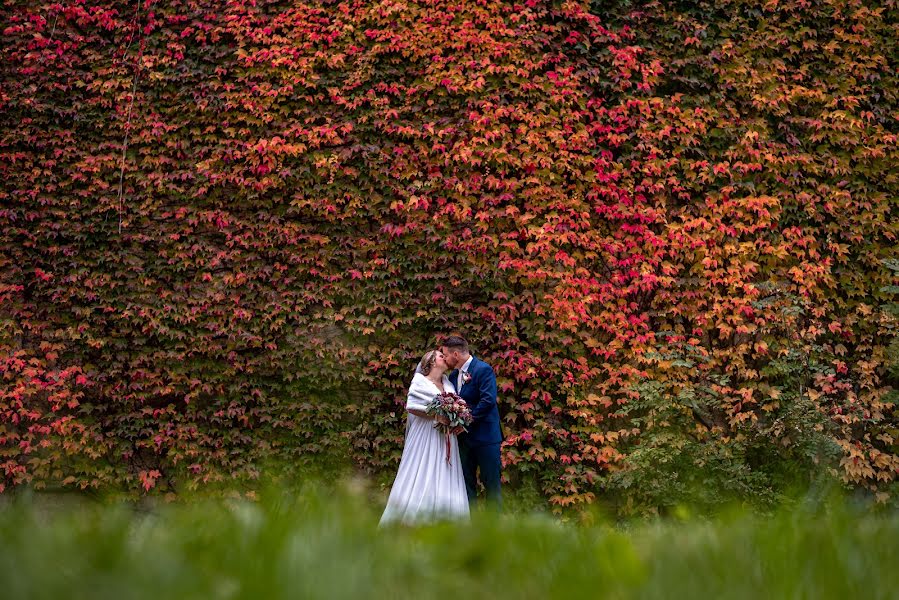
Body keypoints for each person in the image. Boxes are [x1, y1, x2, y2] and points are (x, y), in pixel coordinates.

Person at [379, 349, 470, 526]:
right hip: (425, 436)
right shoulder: (420, 383)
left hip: (445, 438)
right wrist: (436, 416)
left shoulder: (448, 384)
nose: (445, 358)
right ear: (431, 362)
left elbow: (455, 406)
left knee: (445, 473)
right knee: (420, 471)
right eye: (440, 356)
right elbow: (412, 407)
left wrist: (456, 419)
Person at [439, 335, 502, 511]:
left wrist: (465, 421)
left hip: (486, 439)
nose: (444, 358)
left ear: (456, 354)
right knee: (466, 485)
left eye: (445, 355)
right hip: (464, 440)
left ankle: (494, 529)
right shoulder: (452, 376)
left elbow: (488, 401)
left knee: (492, 485)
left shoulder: (483, 369)